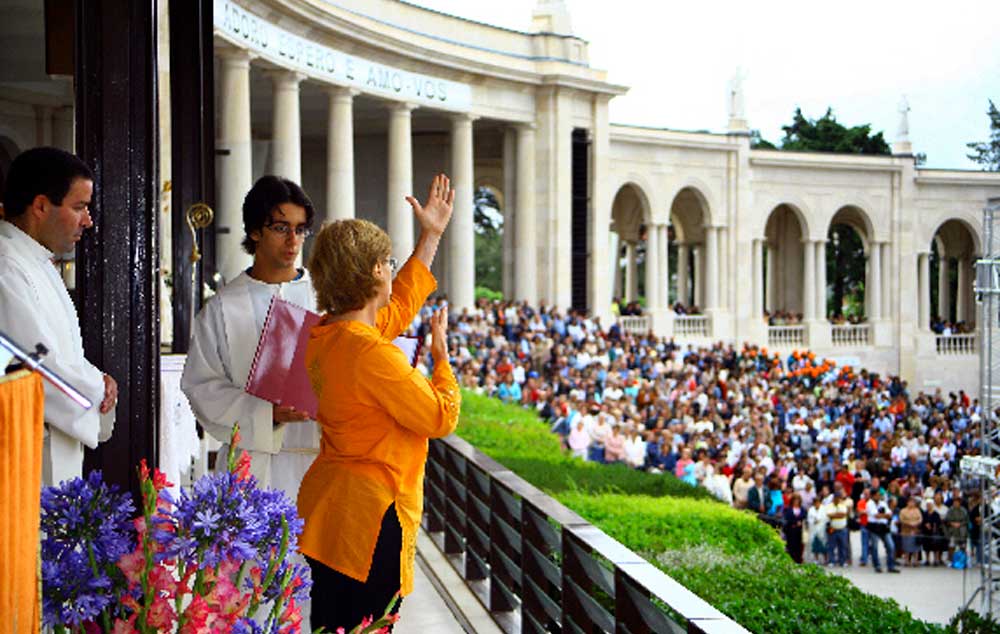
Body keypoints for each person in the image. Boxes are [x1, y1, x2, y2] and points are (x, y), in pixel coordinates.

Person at [296, 174, 461, 632]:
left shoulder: (329, 336)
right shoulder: (370, 353)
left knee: (332, 624)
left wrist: (431, 235)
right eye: (387, 261)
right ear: (373, 273)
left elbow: (398, 306)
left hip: (334, 511)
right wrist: (443, 362)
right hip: (371, 520)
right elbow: (440, 416)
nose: (391, 268)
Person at [182, 176, 319, 495]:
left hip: (320, 464)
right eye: (281, 228)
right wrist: (266, 413)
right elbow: (202, 386)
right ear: (255, 230)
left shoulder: (325, 298)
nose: (293, 241)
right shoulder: (222, 308)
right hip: (254, 467)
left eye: (300, 229)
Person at [0, 147, 117, 484]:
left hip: (51, 440)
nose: (88, 221)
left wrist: (99, 380)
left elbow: (59, 352)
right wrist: (97, 389)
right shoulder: (8, 267)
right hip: (25, 451)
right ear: (40, 206)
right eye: (79, 207)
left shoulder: (35, 261)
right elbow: (28, 364)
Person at [865, 488, 900, 573]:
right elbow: (875, 515)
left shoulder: (883, 503)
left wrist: (882, 515)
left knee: (891, 546)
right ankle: (877, 565)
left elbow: (889, 513)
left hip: (884, 527)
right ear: (873, 496)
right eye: (877, 495)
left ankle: (891, 566)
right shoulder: (869, 504)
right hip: (874, 527)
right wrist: (884, 515)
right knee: (875, 547)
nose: (879, 496)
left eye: (879, 495)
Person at [899, 496, 923, 567]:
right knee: (907, 546)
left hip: (915, 530)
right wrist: (909, 523)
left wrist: (916, 523)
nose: (911, 504)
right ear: (907, 503)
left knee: (916, 547)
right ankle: (907, 560)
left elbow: (920, 518)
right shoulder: (903, 510)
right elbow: (901, 519)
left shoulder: (917, 510)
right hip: (906, 530)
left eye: (913, 502)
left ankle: (915, 561)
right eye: (910, 502)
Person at [783, 493, 805, 563]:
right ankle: (791, 559)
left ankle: (799, 559)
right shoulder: (788, 509)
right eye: (795, 500)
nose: (796, 501)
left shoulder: (802, 509)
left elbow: (804, 518)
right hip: (791, 530)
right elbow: (787, 519)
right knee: (791, 545)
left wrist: (800, 522)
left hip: (800, 531)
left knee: (799, 546)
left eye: (797, 500)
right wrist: (795, 522)